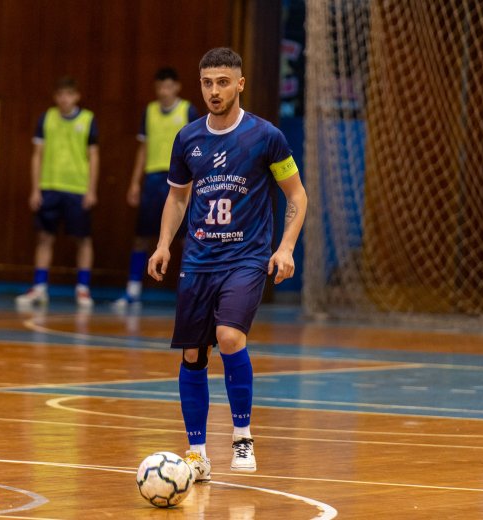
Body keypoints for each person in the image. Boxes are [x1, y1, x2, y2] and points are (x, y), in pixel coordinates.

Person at [147, 48, 307, 481]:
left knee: (229, 337)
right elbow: (178, 197)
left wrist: (286, 247)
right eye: (206, 83)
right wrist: (164, 244)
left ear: (239, 84)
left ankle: (242, 436)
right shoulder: (188, 138)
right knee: (193, 354)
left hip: (246, 257)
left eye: (222, 82)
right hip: (198, 259)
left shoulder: (266, 136)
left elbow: (296, 195)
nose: (213, 91)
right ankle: (197, 453)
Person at [114, 67, 199, 309]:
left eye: (168, 86)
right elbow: (142, 149)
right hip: (152, 179)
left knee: (185, 239)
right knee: (141, 236)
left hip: (181, 180)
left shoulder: (188, 110)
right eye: (160, 87)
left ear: (177, 87)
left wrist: (193, 183)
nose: (164, 91)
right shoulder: (149, 111)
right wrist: (134, 182)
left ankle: (189, 292)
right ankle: (132, 291)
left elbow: (196, 150)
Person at [16, 76, 99, 308]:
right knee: (44, 237)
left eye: (69, 94)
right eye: (60, 94)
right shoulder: (47, 118)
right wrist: (35, 189)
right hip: (49, 187)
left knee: (83, 239)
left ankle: (83, 288)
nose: (64, 99)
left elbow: (94, 157)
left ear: (76, 96)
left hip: (78, 188)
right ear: (55, 97)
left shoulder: (87, 119)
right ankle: (40, 287)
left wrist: (91, 190)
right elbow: (36, 155)